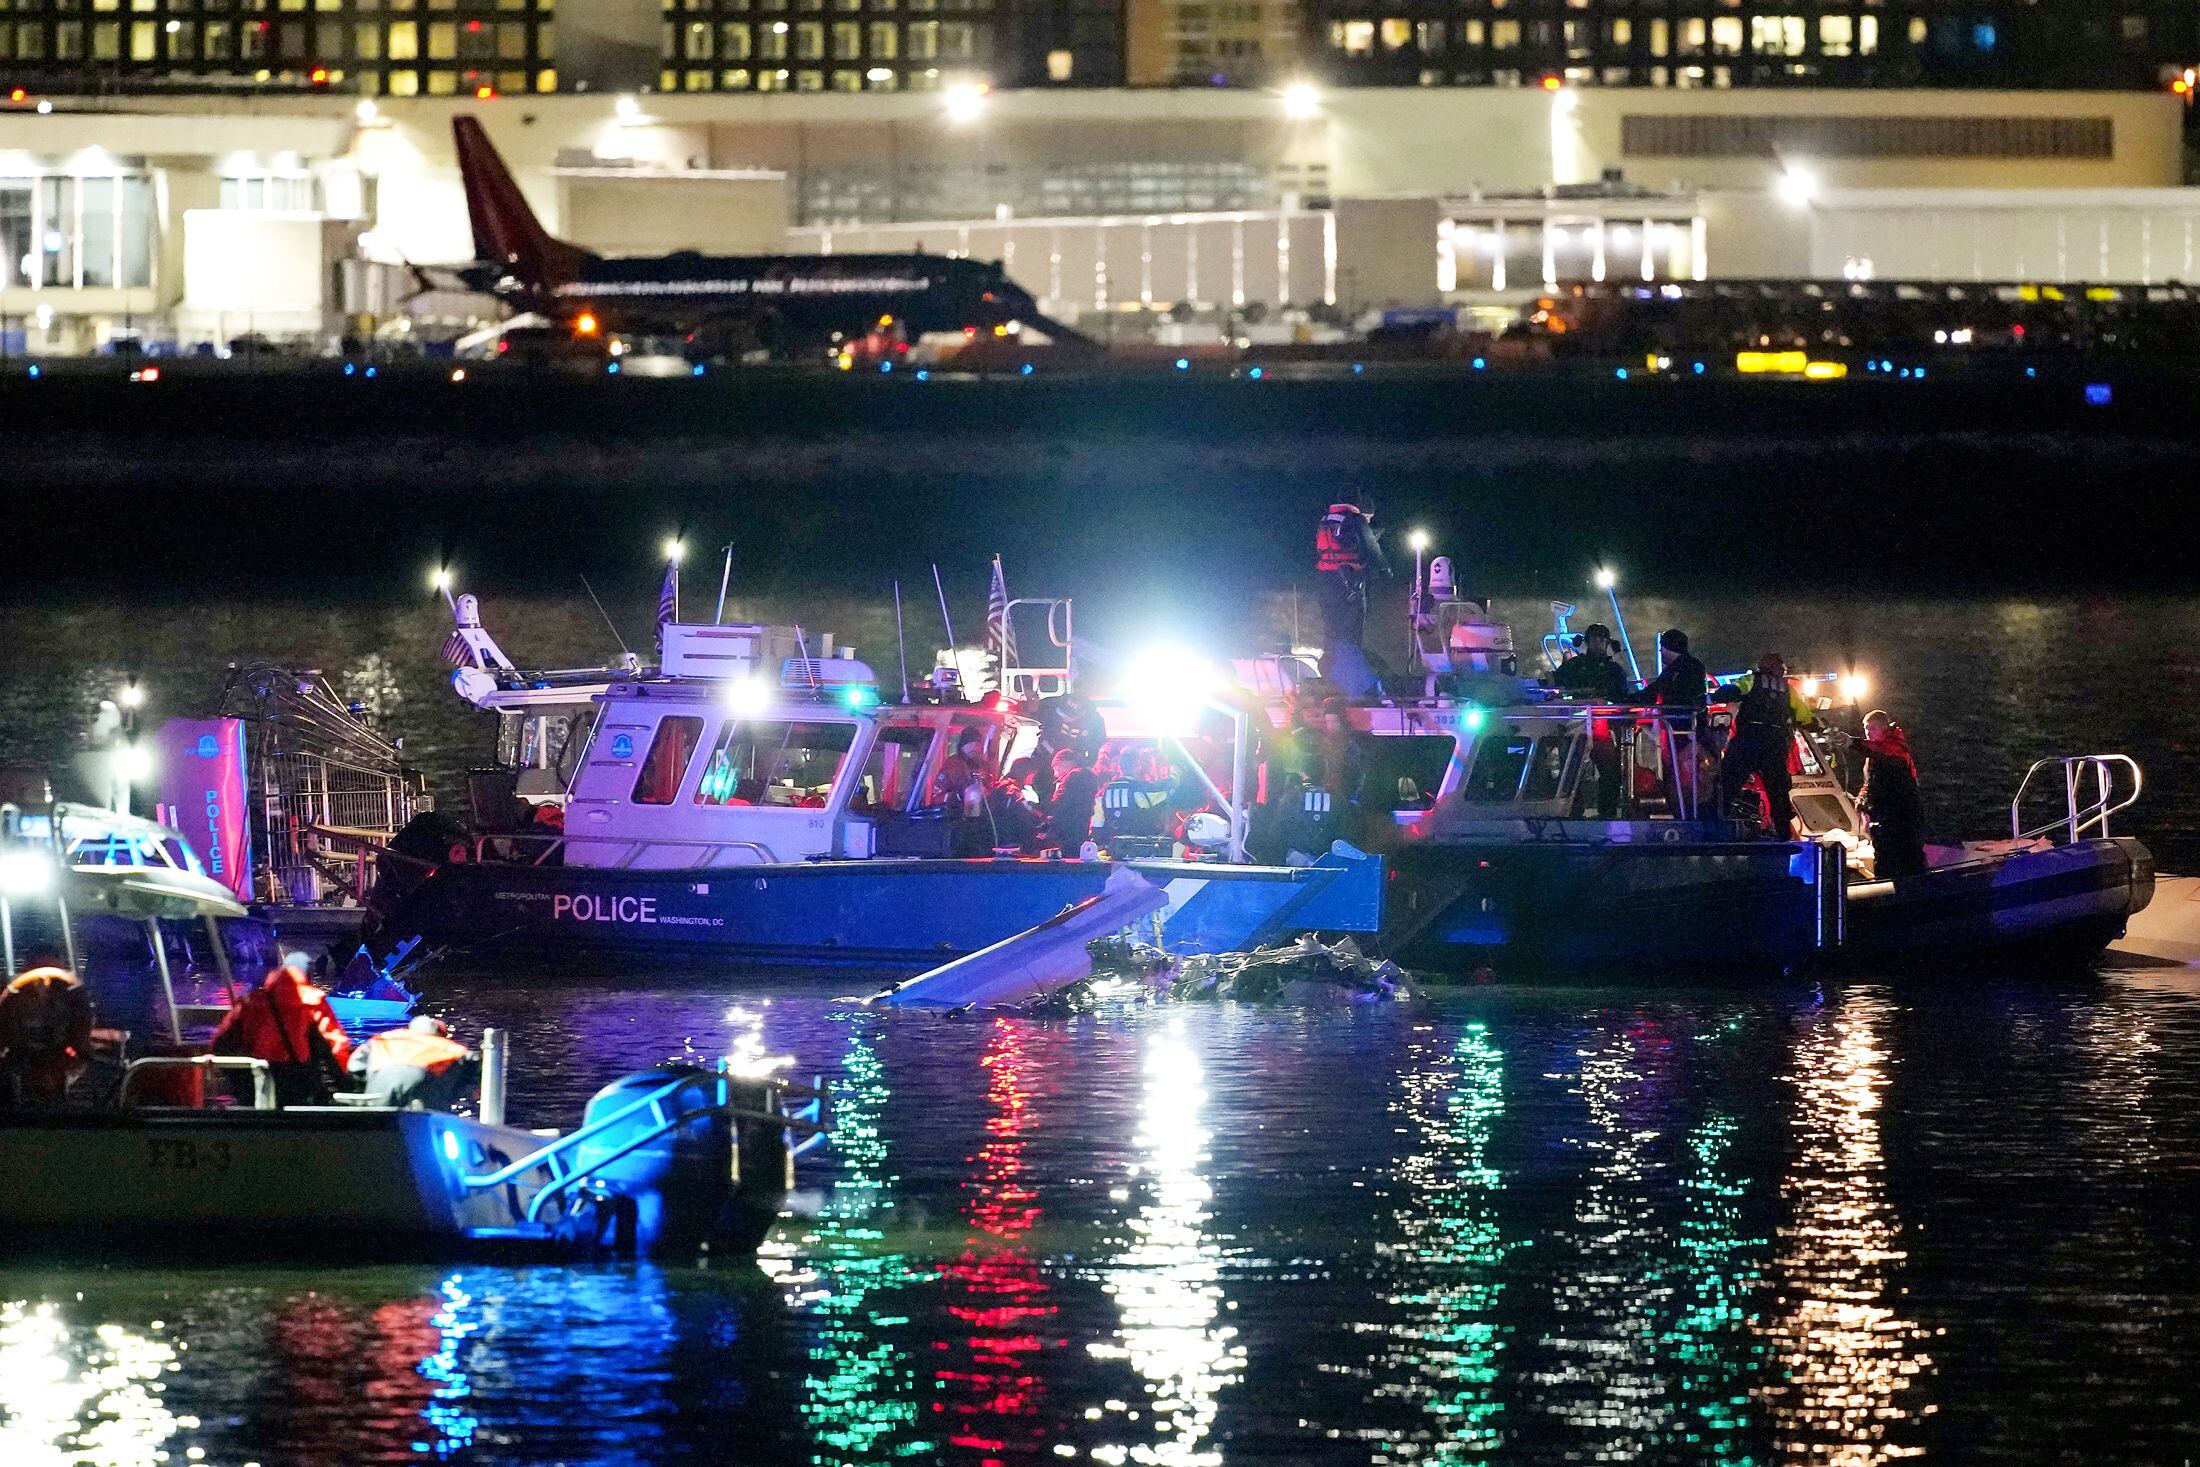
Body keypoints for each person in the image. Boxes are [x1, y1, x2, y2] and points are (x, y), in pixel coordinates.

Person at [210, 958, 354, 1106]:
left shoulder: (249, 1002)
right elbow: (335, 1047)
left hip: (257, 1080)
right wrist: (346, 1087)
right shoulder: (313, 1001)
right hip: (300, 1084)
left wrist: (240, 1081)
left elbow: (220, 1044)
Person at [1717, 652, 1813, 837]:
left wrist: (1720, 695)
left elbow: (1734, 690)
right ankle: (1784, 834)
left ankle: (1715, 826)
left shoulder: (1751, 680)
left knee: (1727, 782)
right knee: (1778, 792)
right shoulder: (1788, 690)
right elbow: (1804, 716)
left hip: (1749, 740)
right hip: (1776, 744)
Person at [1551, 623, 1631, 818]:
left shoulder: (1614, 670)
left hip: (1602, 726)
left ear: (1608, 642)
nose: (1598, 642)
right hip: (1574, 725)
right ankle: (1572, 810)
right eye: (1595, 638)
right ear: (1587, 641)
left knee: (1610, 771)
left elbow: (1623, 698)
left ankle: (1608, 812)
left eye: (1603, 638)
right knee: (1571, 769)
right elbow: (1554, 683)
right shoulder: (1573, 666)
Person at [1314, 495, 1389, 696]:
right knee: (1350, 636)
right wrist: (1384, 569)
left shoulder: (1326, 520)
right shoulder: (1356, 520)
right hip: (1348, 586)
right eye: (1369, 518)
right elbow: (1371, 547)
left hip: (1326, 583)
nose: (1369, 522)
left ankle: (1333, 679)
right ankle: (1359, 688)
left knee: (1332, 635)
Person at [0, 962, 96, 1104]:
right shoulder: (16, 1000)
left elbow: (82, 1027)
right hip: (26, 1055)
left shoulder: (71, 1000)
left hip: (58, 1054)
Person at [348, 1015, 477, 1110]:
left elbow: (354, 1066)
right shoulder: (448, 1047)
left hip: (377, 1094)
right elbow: (473, 1061)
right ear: (439, 1034)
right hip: (420, 1099)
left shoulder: (382, 1040)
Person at [1857, 709, 1928, 879]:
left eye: (1872, 728)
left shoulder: (1894, 748)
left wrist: (1852, 743)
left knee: (1908, 855)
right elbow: (1869, 782)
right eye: (1866, 729)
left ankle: (1915, 885)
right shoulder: (1873, 755)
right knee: (1884, 857)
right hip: (1884, 818)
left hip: (1902, 816)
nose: (1868, 733)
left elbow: (1883, 755)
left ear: (1884, 728)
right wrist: (1862, 797)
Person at [1044, 747, 1102, 854]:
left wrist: (1033, 806)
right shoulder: (1092, 776)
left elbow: (1058, 805)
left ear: (1065, 763)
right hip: (1084, 832)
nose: (1055, 774)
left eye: (1056, 768)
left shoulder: (1072, 776)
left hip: (1068, 834)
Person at [1639, 628, 1710, 709]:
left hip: (1681, 718)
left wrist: (1627, 699)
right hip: (1689, 718)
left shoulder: (1675, 670)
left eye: (1662, 647)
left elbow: (1655, 690)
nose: (1660, 650)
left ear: (1668, 648)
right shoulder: (1694, 665)